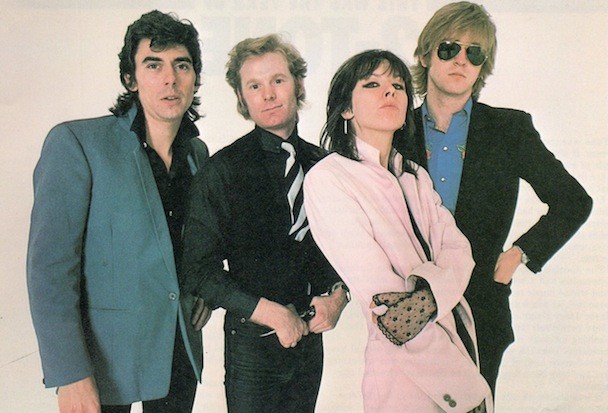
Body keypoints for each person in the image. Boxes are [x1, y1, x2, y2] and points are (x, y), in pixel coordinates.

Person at [401, 1, 593, 395]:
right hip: (406, 309)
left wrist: (516, 256)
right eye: (449, 48)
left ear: (482, 66)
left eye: (475, 53)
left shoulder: (509, 130)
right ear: (425, 55)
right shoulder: (395, 130)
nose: (461, 60)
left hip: (481, 307)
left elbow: (573, 200)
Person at [27, 10, 211, 413]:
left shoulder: (197, 154)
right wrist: (69, 373)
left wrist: (204, 290)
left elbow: (190, 243)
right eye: (153, 65)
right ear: (131, 78)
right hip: (104, 362)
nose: (170, 78)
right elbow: (49, 271)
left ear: (195, 78)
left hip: (178, 352)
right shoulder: (78, 144)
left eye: (182, 65)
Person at [304, 49, 492, 413]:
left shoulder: (415, 175)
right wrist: (463, 390)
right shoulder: (329, 179)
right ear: (346, 108)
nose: (389, 91)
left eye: (398, 85)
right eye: (372, 84)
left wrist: (428, 298)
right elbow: (390, 309)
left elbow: (459, 253)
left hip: (462, 350)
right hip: (406, 373)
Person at [181, 33, 349, 413]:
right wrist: (271, 313)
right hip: (252, 345)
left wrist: (339, 296)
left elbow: (345, 250)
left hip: (310, 343)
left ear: (299, 85)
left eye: (278, 80)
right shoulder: (222, 170)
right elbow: (199, 271)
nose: (268, 95)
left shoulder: (326, 166)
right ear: (242, 99)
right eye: (254, 86)